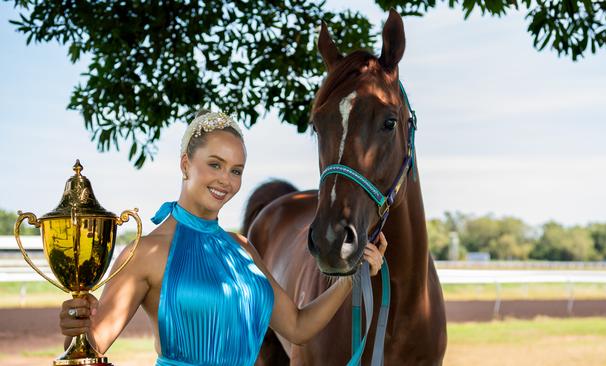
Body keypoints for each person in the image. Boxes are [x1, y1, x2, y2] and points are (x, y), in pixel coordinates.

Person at [59, 110, 388, 366]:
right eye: (215, 165)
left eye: (236, 170)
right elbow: (91, 349)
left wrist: (350, 277)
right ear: (186, 164)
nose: (225, 180)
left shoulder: (243, 249)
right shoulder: (146, 252)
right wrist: (77, 327)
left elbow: (298, 327)